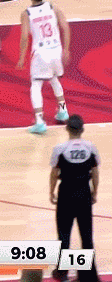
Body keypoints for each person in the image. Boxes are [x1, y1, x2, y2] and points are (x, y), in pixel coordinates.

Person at [50, 115, 100, 282]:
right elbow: (95, 173)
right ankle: (88, 276)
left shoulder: (59, 149)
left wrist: (51, 192)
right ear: (82, 129)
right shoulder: (90, 148)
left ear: (67, 129)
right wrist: (94, 192)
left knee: (64, 235)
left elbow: (54, 173)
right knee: (86, 236)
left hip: (66, 194)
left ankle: (62, 272)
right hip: (83, 193)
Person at [16, 0, 70, 133]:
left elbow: (24, 37)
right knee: (54, 79)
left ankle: (39, 121)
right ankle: (63, 110)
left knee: (36, 85)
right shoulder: (53, 7)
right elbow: (65, 27)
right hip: (56, 49)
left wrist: (21, 58)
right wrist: (66, 49)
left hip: (41, 52)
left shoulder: (26, 13)